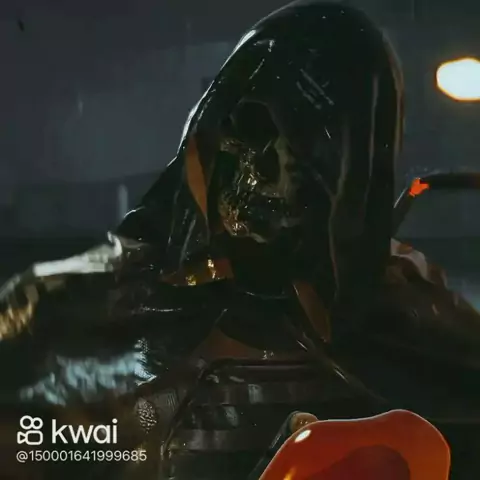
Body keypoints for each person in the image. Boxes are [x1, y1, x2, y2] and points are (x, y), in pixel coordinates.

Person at [1, 1, 479, 479]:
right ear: (214, 127)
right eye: (255, 127)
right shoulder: (71, 312)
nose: (271, 164)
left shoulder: (417, 326)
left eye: (308, 143)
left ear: (351, 171)